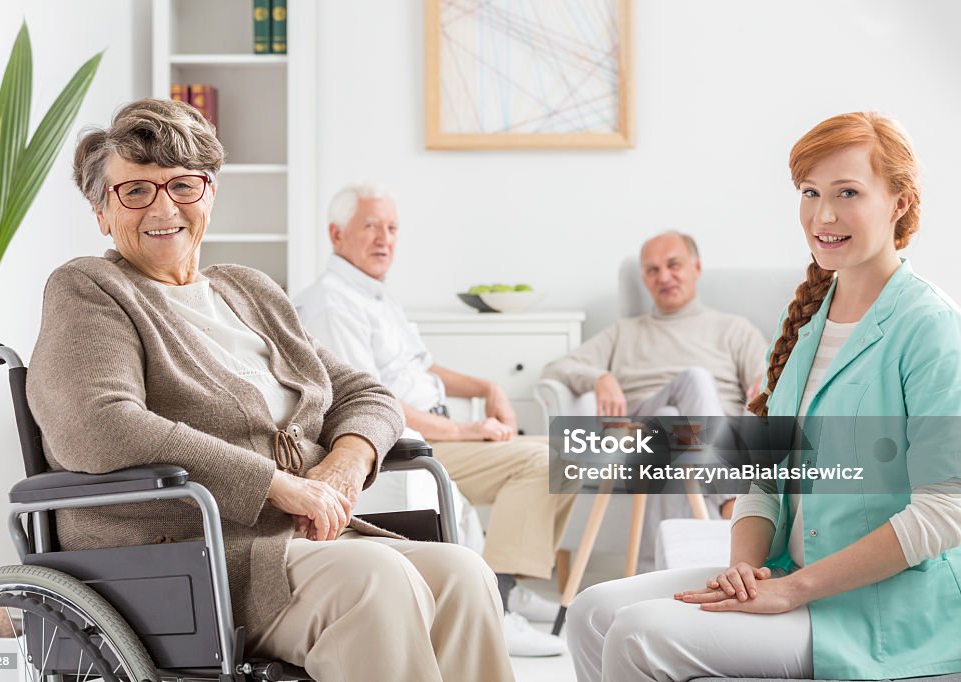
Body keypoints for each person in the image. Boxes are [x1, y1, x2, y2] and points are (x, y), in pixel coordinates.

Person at [26, 98, 514, 682]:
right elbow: (99, 426)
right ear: (102, 211)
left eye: (184, 185)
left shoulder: (248, 291)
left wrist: (344, 466)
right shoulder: (91, 289)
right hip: (189, 553)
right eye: (136, 190)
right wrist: (276, 485)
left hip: (299, 543)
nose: (164, 206)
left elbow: (366, 394)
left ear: (209, 196)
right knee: (375, 583)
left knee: (463, 574)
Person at [566, 112, 961, 681]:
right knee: (592, 610)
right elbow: (764, 481)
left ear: (899, 202)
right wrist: (744, 572)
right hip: (789, 575)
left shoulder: (929, 325)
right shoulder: (804, 325)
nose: (823, 215)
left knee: (639, 634)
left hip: (881, 608)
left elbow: (946, 509)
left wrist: (795, 590)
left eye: (848, 192)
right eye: (810, 193)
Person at [294, 183, 577, 657]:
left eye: (392, 228)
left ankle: (510, 580)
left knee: (562, 457)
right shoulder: (331, 302)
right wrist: (467, 430)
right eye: (370, 226)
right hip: (406, 439)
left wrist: (488, 388)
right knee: (541, 462)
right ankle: (499, 601)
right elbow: (367, 401)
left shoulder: (375, 295)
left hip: (440, 428)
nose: (385, 238)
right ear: (335, 233)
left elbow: (422, 366)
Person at [541, 231, 768, 571]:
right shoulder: (624, 332)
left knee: (672, 418)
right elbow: (557, 367)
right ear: (644, 279)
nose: (663, 276)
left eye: (673, 265)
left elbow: (767, 378)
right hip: (639, 428)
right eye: (652, 270)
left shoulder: (733, 329)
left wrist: (769, 380)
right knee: (687, 387)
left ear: (696, 267)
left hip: (704, 434)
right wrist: (599, 378)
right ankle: (730, 502)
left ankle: (658, 574)